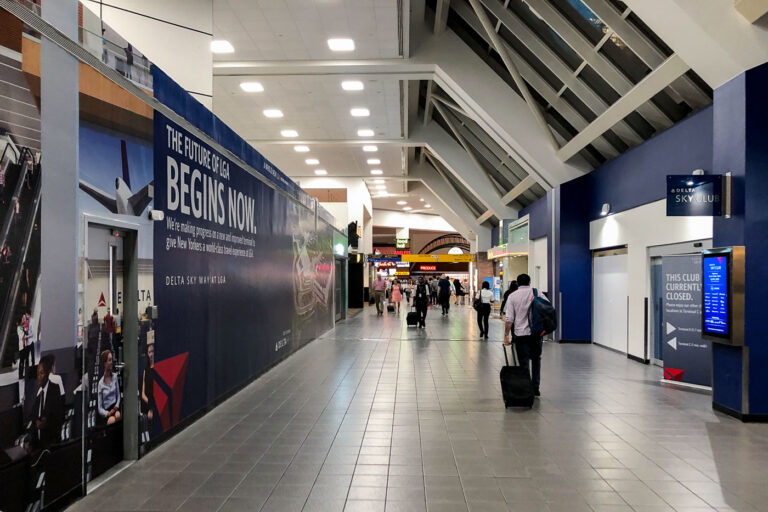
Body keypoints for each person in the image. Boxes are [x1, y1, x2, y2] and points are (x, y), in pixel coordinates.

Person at [503, 273, 547, 397]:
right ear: (529, 282)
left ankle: (526, 387)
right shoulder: (537, 292)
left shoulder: (512, 296)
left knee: (524, 362)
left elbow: (509, 318)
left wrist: (506, 334)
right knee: (536, 360)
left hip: (521, 335)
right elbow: (548, 307)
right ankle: (536, 387)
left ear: (517, 283)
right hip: (536, 334)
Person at [29, 355, 64, 450]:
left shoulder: (54, 389)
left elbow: (58, 417)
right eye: (38, 374)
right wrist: (36, 421)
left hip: (51, 442)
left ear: (48, 373)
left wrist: (46, 423)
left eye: (41, 373)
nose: (39, 377)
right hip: (38, 443)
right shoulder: (39, 393)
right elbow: (33, 414)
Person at [97, 350, 121, 425]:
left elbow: (118, 395)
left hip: (115, 407)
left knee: (118, 416)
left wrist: (116, 406)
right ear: (104, 363)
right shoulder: (100, 384)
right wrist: (107, 413)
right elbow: (100, 408)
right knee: (112, 420)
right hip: (107, 411)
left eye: (111, 359)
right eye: (109, 360)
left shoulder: (115, 377)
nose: (111, 362)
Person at [141, 343, 155, 421]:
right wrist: (150, 406)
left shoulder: (158, 368)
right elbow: (143, 394)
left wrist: (153, 408)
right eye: (149, 352)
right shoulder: (145, 371)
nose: (151, 354)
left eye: (152, 351)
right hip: (148, 403)